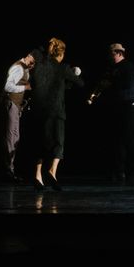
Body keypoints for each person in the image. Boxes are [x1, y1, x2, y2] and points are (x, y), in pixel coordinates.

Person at [87, 43, 134, 184]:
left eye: (112, 54)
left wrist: (110, 84)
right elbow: (104, 83)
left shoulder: (129, 67)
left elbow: (127, 85)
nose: (110, 56)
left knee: (127, 135)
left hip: (130, 104)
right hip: (119, 105)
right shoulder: (112, 68)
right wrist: (95, 93)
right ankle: (119, 172)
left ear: (119, 53)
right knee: (118, 138)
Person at [30, 37, 83, 191]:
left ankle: (37, 175)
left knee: (40, 142)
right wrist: (75, 74)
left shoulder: (39, 66)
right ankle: (52, 171)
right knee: (58, 142)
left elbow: (38, 84)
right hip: (56, 110)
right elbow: (80, 83)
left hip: (39, 110)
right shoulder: (63, 68)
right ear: (60, 54)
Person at [0, 51, 35, 182]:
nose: (33, 65)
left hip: (15, 105)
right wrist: (25, 88)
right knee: (11, 138)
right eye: (32, 62)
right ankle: (8, 170)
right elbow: (8, 87)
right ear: (29, 56)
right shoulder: (19, 68)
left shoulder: (25, 68)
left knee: (15, 137)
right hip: (10, 103)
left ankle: (10, 169)